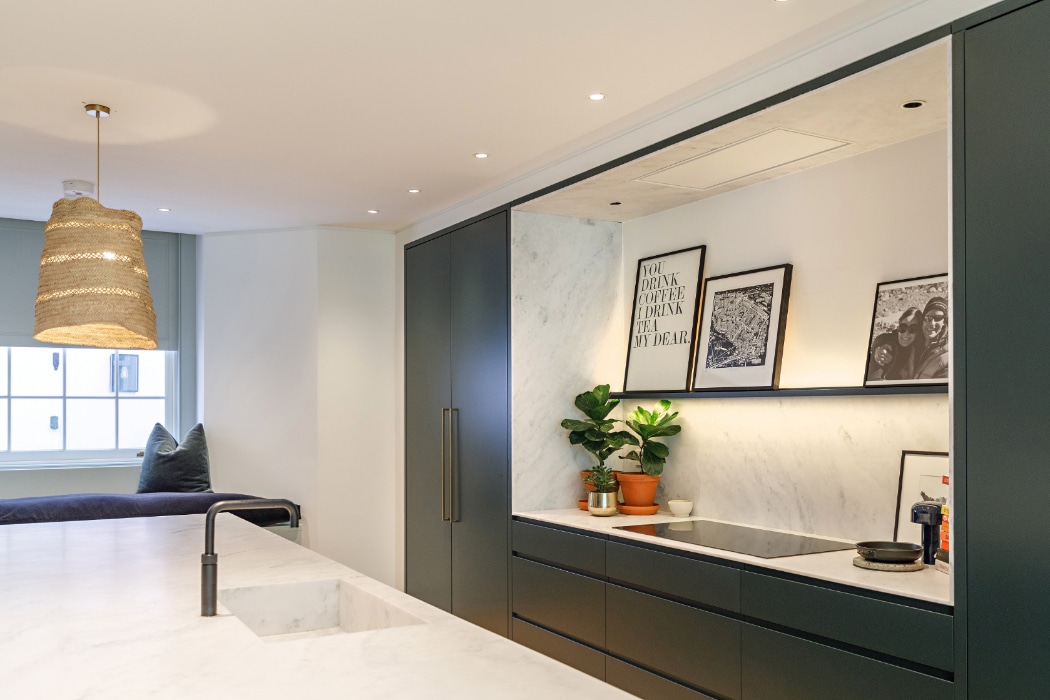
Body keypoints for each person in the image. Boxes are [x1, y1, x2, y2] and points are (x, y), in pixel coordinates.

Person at [867, 307, 925, 381]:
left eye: (913, 328)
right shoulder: (888, 347)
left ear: (919, 331)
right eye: (902, 327)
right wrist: (877, 346)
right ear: (898, 327)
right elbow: (884, 338)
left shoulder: (920, 348)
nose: (906, 334)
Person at [915, 296, 949, 379]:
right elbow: (894, 336)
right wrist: (881, 344)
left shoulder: (946, 351)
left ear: (944, 322)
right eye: (928, 317)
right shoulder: (912, 337)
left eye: (938, 318)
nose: (932, 323)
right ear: (923, 320)